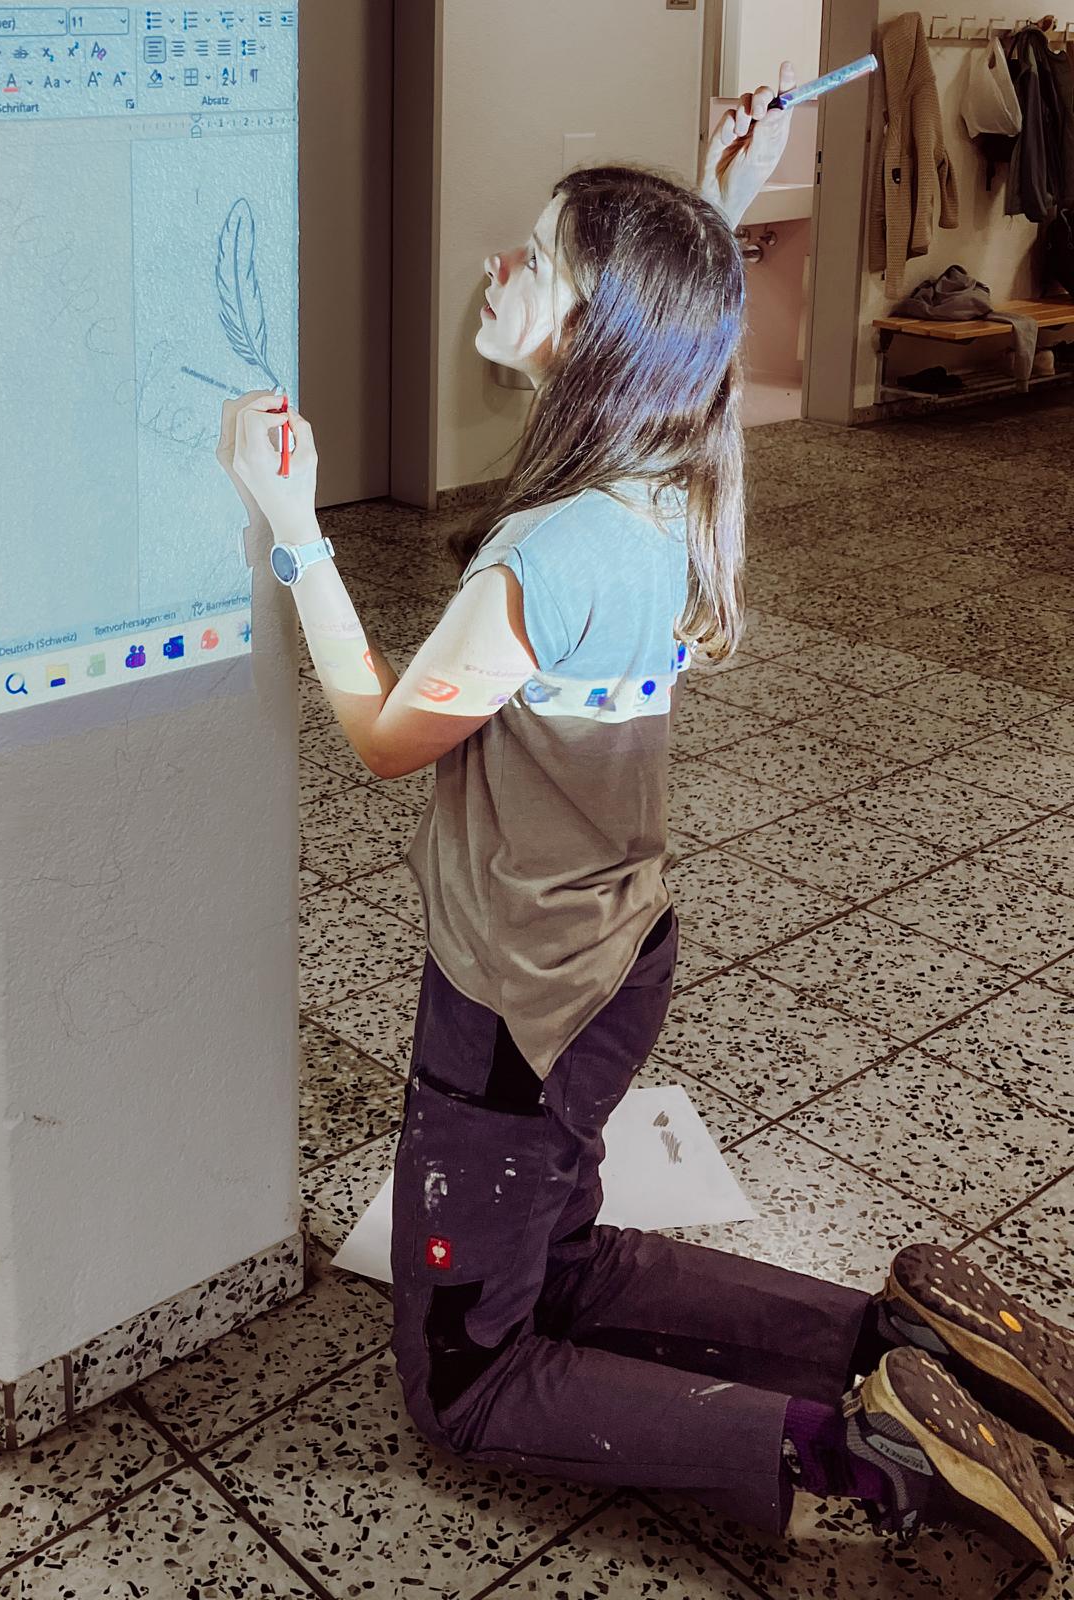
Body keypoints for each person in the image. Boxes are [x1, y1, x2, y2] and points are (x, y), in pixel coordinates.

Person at [218, 68, 1072, 1571]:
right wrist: (716, 202)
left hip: (514, 1003)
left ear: (604, 333)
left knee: (468, 1383)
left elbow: (383, 740)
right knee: (559, 1258)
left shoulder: (543, 558)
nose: (499, 265)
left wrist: (296, 536)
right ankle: (917, 1344)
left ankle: (860, 1452)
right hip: (615, 962)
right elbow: (687, 346)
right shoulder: (679, 482)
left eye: (537, 261)